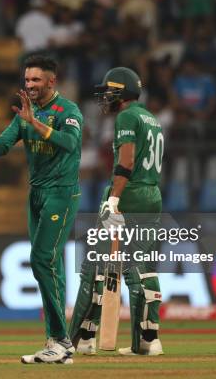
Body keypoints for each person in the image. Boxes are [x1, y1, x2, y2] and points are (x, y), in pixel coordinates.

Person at [0, 55, 82, 364]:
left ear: (52, 82)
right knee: (50, 267)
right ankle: (57, 344)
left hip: (61, 195)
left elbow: (70, 144)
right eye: (27, 80)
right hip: (36, 195)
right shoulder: (25, 115)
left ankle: (61, 340)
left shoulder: (68, 111)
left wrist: (34, 122)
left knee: (41, 260)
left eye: (36, 80)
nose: (30, 85)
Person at [69, 67, 165, 356]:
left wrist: (114, 200)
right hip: (152, 195)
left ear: (121, 92)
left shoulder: (127, 116)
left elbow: (126, 162)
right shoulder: (152, 118)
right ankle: (148, 339)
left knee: (95, 267)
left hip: (128, 195)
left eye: (109, 90)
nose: (105, 96)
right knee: (142, 267)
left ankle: (79, 338)